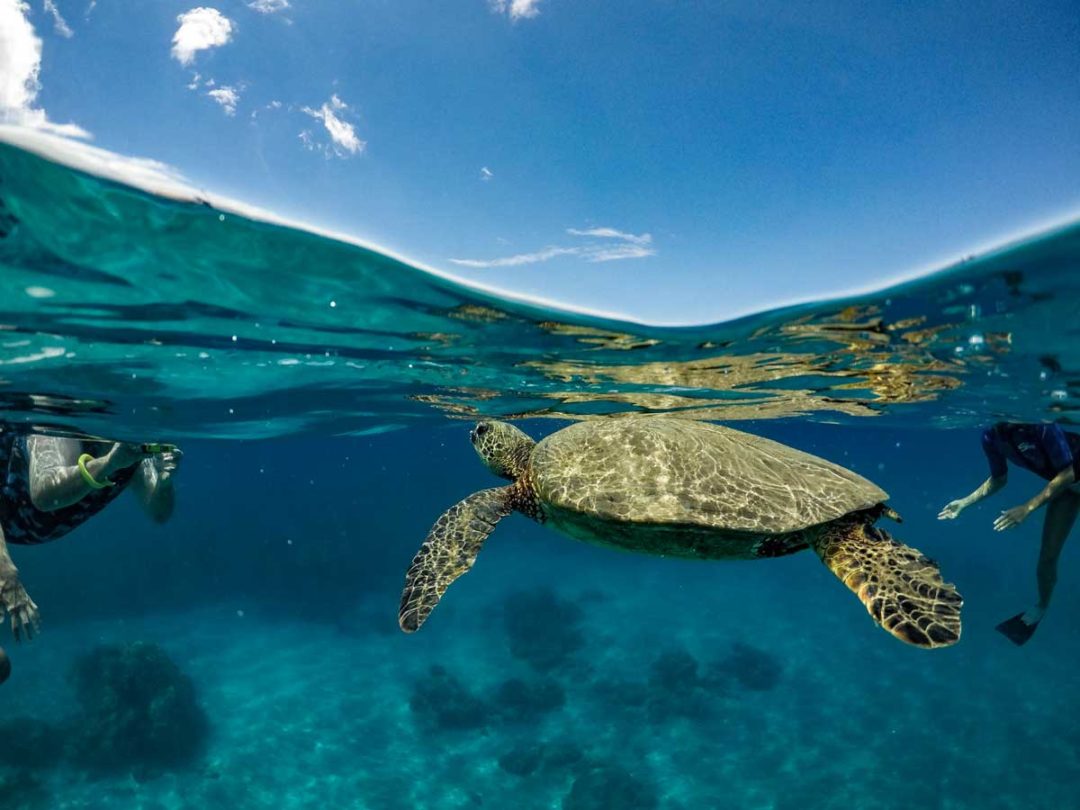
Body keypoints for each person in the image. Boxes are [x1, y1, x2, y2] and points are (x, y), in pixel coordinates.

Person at [0, 426, 181, 658]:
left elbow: (159, 513)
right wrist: (6, 574)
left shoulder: (130, 446)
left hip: (19, 528)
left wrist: (164, 482)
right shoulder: (53, 429)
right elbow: (44, 494)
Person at [938, 421, 1080, 646]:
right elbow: (998, 479)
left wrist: (1027, 508)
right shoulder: (990, 436)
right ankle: (1041, 606)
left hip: (1069, 480)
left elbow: (1069, 472)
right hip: (1069, 490)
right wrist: (964, 503)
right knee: (1047, 557)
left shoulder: (1043, 427)